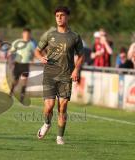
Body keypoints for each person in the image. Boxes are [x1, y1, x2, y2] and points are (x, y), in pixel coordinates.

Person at [34, 6, 84, 145]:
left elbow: (81, 55)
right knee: (49, 106)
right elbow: (37, 50)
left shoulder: (74, 36)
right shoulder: (49, 35)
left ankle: (59, 137)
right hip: (50, 74)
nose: (59, 18)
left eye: (62, 15)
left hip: (66, 76)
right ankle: (47, 123)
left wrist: (76, 70)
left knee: (63, 107)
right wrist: (40, 57)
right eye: (57, 16)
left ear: (67, 17)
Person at [8, 28, 36, 104]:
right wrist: (10, 60)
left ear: (30, 35)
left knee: (24, 80)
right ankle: (11, 92)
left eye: (28, 34)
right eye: (25, 34)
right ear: (22, 34)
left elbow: (33, 53)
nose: (26, 35)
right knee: (15, 80)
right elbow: (10, 51)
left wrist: (33, 59)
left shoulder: (31, 44)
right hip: (17, 63)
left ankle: (22, 97)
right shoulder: (17, 42)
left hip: (25, 65)